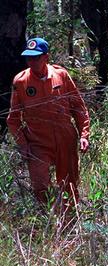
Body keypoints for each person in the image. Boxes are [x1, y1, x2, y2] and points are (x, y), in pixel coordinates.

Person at [6, 37, 90, 205]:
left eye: (36, 57)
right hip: (38, 143)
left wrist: (84, 135)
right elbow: (13, 119)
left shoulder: (61, 75)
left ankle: (70, 222)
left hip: (65, 139)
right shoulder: (21, 82)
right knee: (40, 186)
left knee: (69, 185)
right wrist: (23, 145)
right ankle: (48, 221)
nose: (32, 62)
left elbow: (79, 108)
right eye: (29, 58)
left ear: (46, 57)